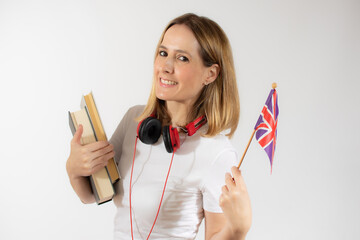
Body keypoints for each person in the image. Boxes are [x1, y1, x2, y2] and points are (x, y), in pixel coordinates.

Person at [66, 13, 252, 240]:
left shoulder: (217, 152)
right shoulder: (134, 120)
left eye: (182, 58)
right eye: (163, 53)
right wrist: (74, 169)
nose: (165, 66)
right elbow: (93, 194)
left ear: (210, 74)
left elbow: (214, 235)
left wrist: (237, 230)